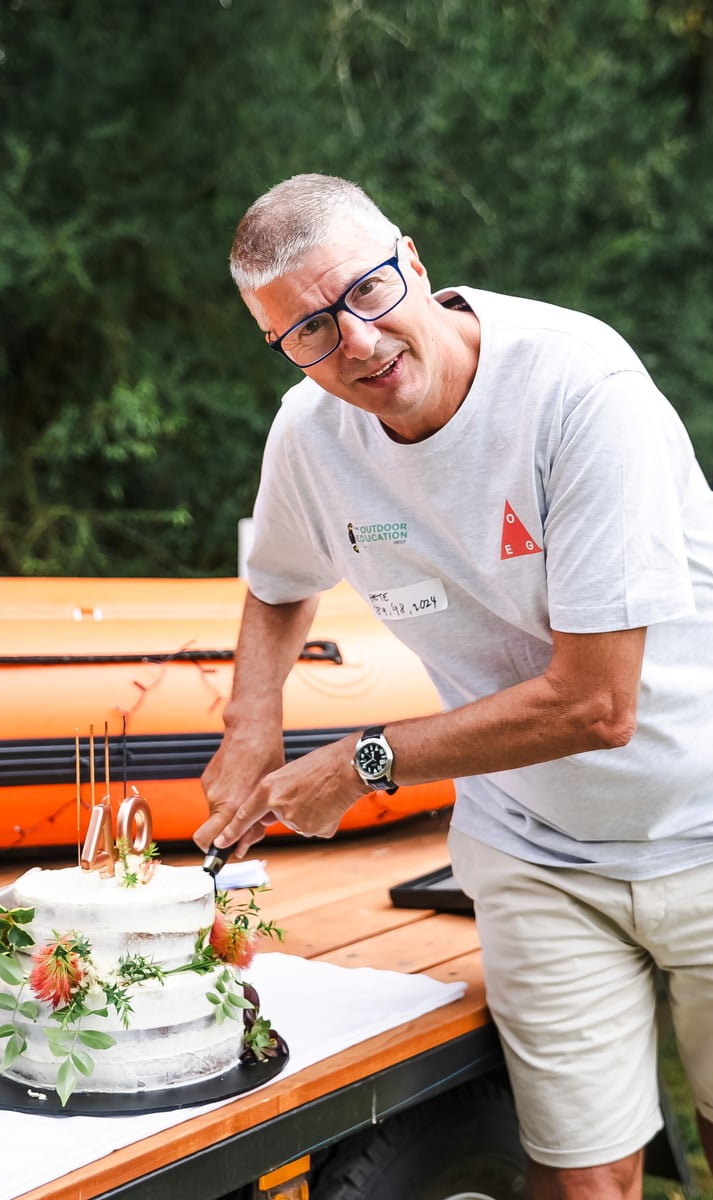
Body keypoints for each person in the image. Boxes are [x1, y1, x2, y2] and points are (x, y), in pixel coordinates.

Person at [193, 172, 713, 1199]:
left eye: (366, 295)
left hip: (704, 816)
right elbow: (280, 578)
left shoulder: (579, 389)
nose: (356, 345)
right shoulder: (309, 433)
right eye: (306, 333)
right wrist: (253, 720)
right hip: (535, 853)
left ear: (415, 264)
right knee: (582, 1180)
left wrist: (362, 763)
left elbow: (595, 703)